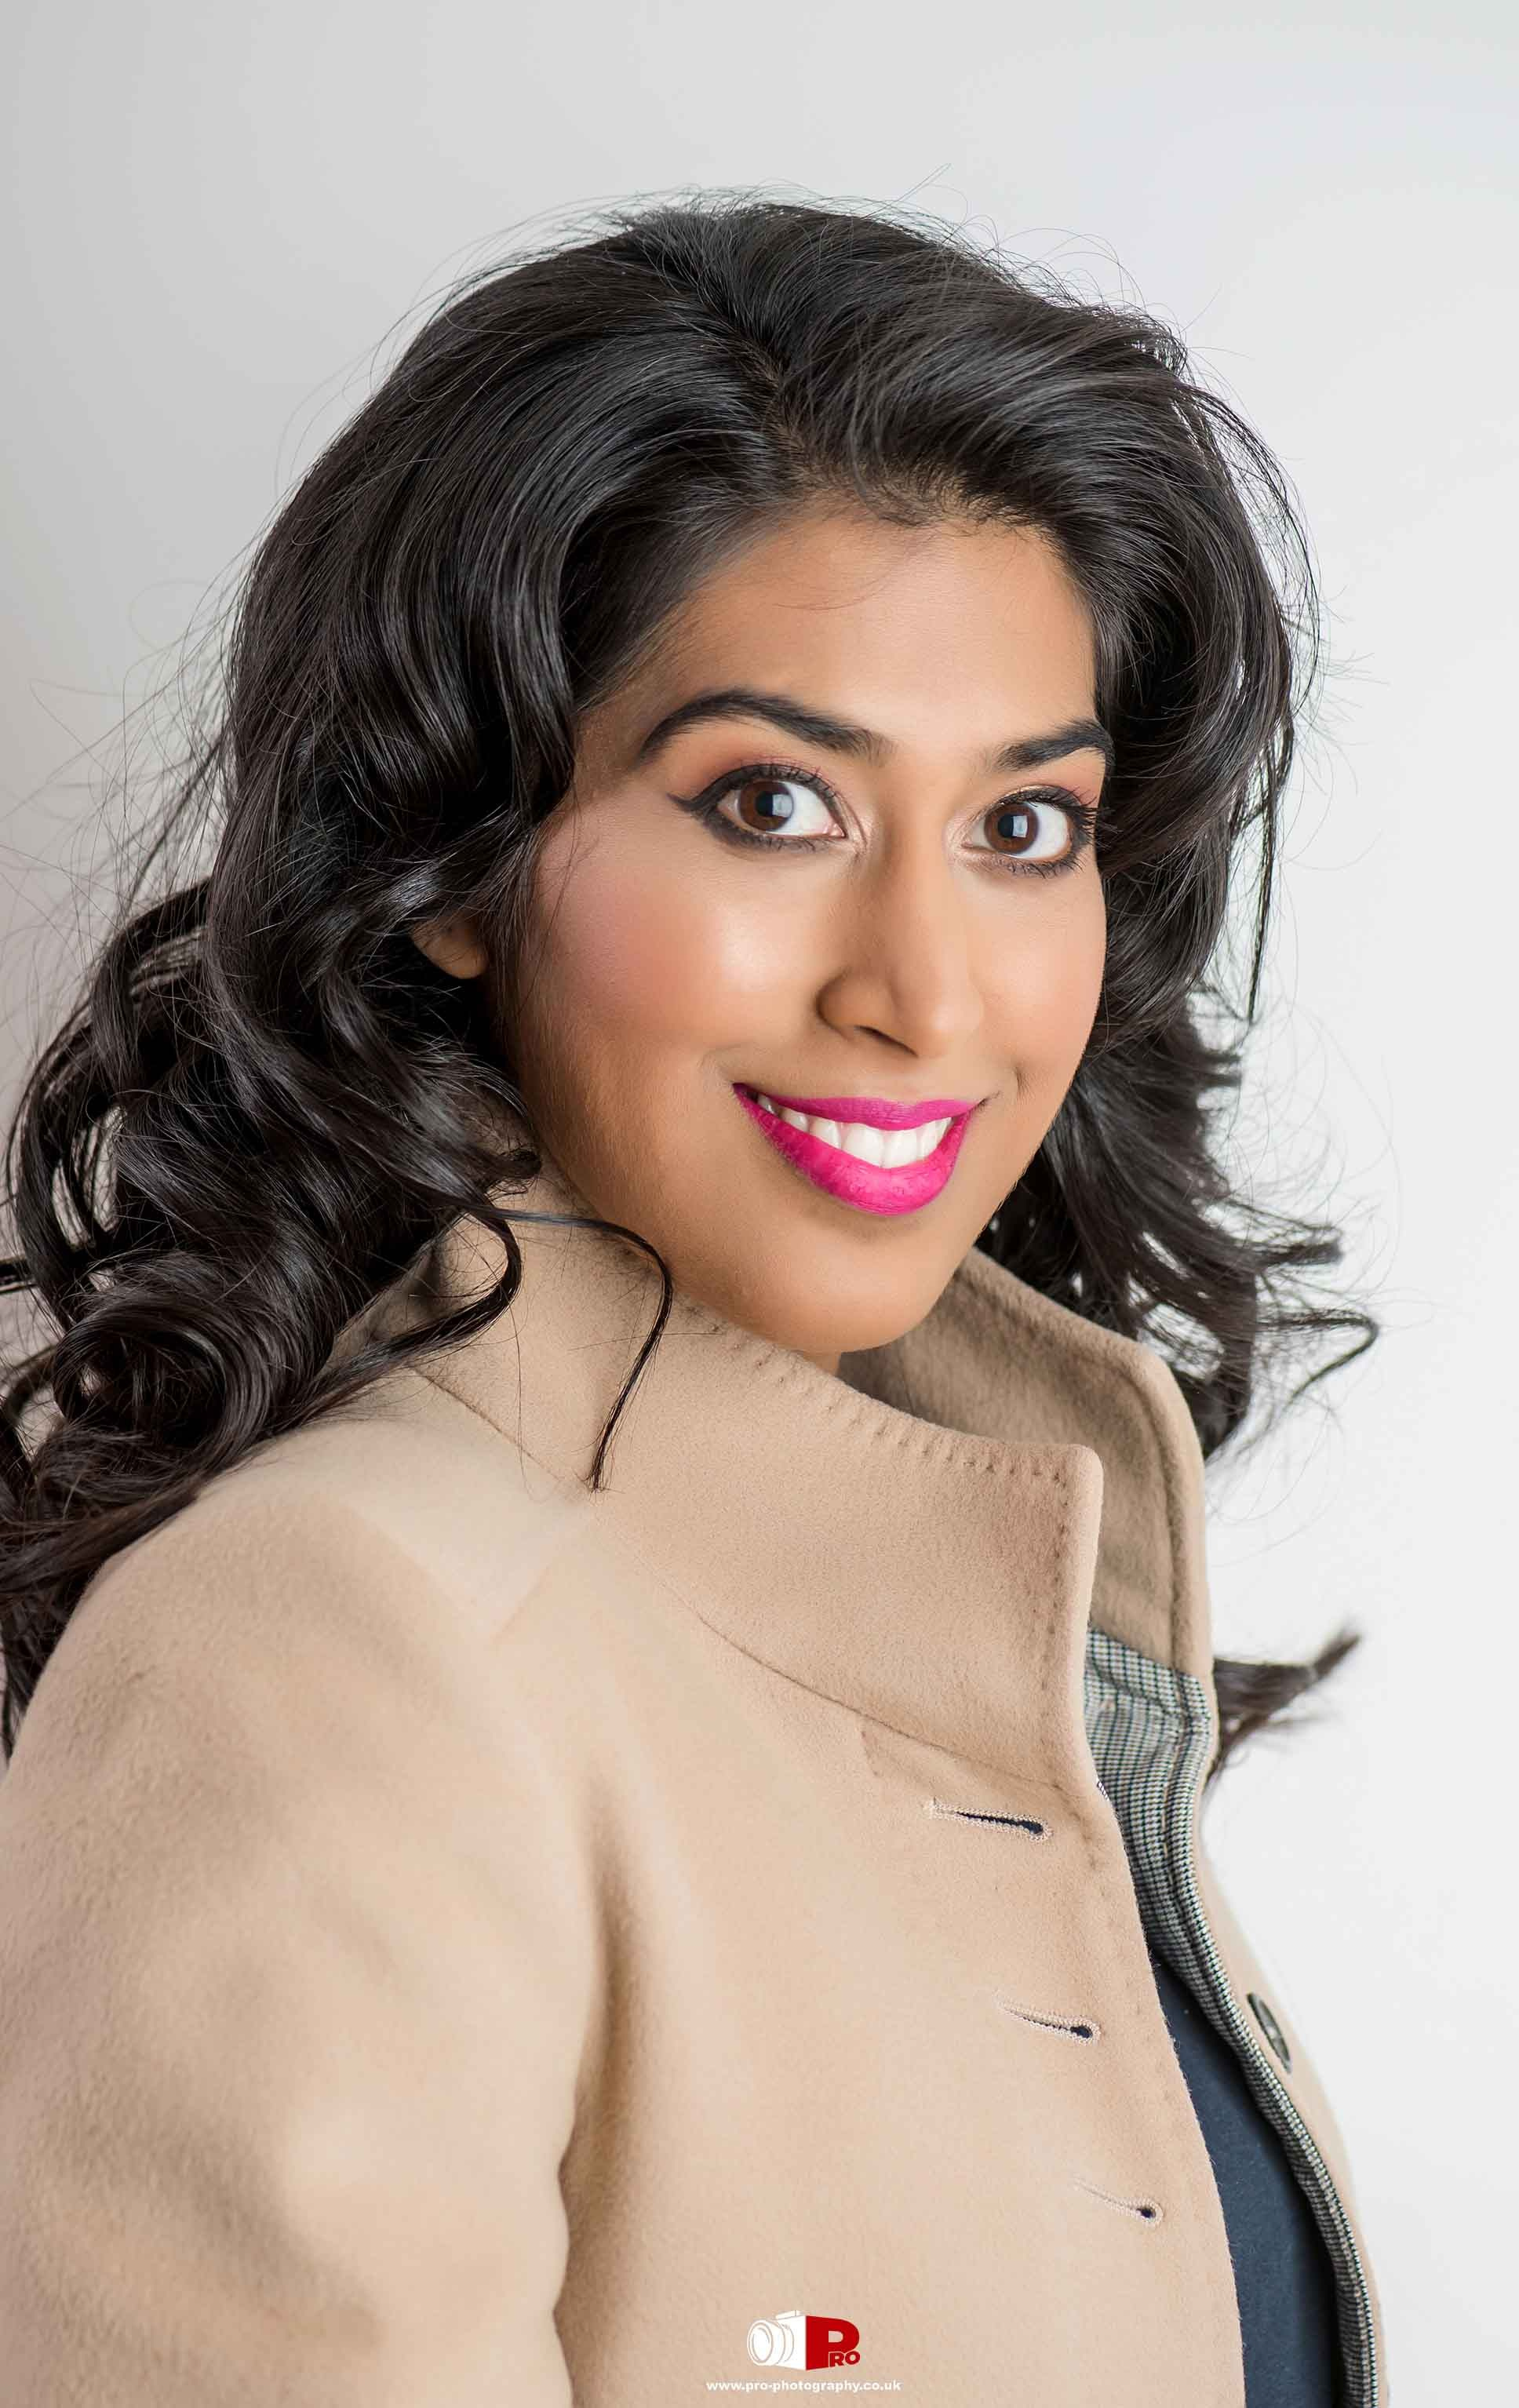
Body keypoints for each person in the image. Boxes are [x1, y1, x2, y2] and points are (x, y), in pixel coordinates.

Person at [0, 192, 1386, 2404]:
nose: (926, 993)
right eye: (771, 801)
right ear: (456, 867)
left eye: (1023, 830)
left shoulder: (976, 1615)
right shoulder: (332, 1653)